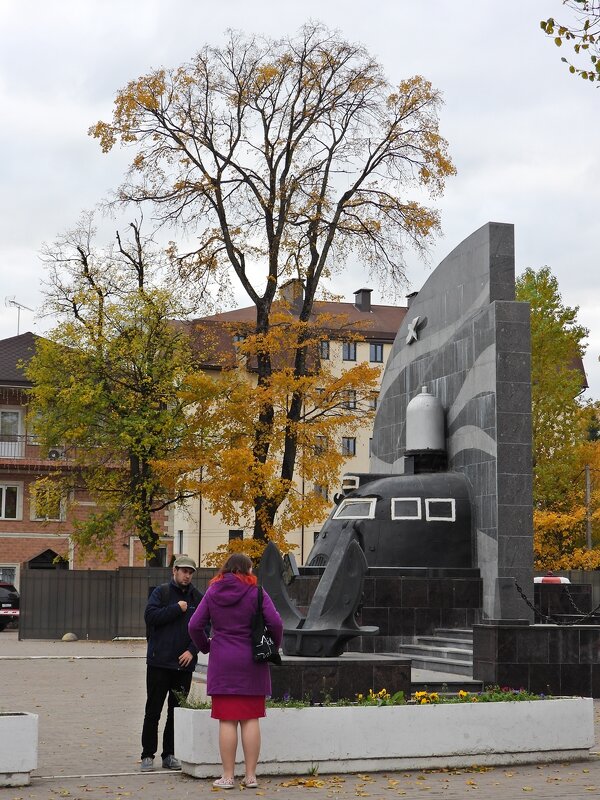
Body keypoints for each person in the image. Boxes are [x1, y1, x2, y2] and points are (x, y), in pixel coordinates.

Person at [188, 553, 283, 790]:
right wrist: (273, 646)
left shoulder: (212, 592)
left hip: (223, 662)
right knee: (251, 718)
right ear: (247, 570)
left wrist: (206, 646)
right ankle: (250, 776)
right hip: (252, 661)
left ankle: (228, 777)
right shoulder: (256, 593)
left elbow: (194, 625)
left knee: (227, 721)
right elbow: (277, 623)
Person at [140, 555, 203, 772]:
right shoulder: (162, 592)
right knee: (153, 711)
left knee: (176, 712)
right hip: (159, 662)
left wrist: (192, 651)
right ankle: (148, 755)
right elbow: (150, 616)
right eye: (184, 570)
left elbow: (205, 628)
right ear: (174, 571)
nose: (187, 575)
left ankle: (170, 754)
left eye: (190, 572)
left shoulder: (198, 597)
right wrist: (177, 608)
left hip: (183, 665)